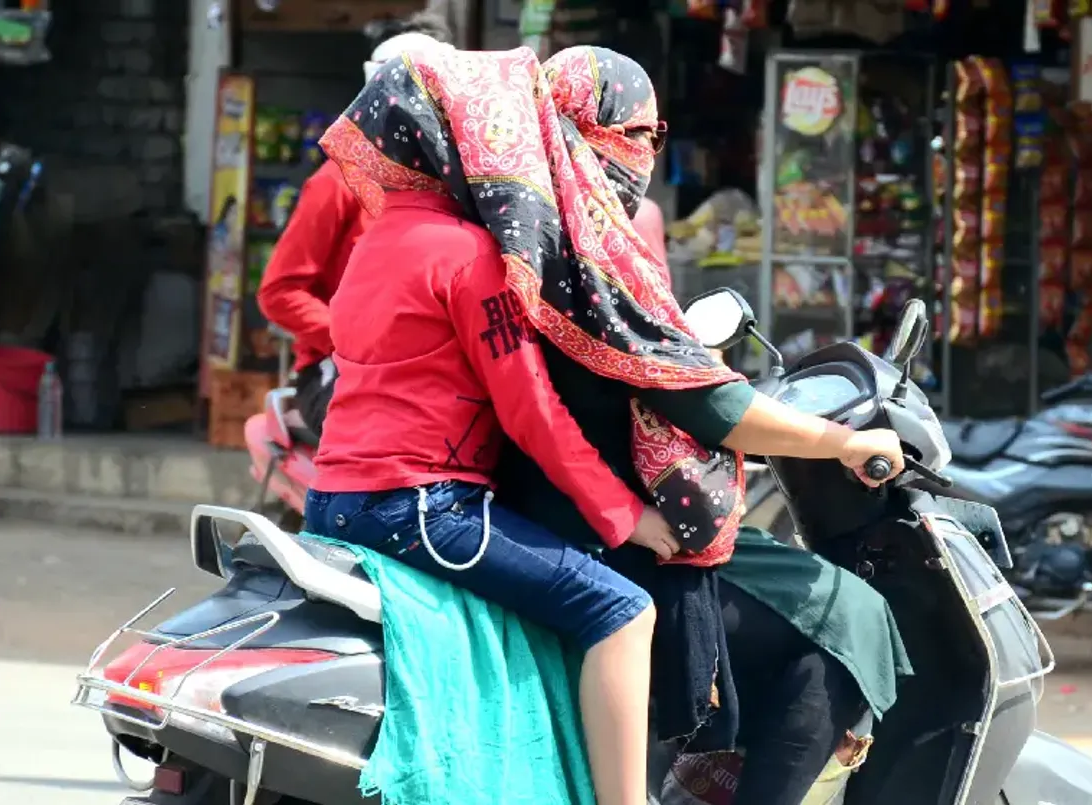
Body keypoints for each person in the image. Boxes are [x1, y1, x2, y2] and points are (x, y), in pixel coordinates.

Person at [319, 40, 909, 805]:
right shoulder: (542, 258)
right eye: (637, 134)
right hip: (488, 511)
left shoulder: (399, 242)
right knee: (812, 616)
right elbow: (666, 404)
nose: (645, 155)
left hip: (389, 493)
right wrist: (628, 511)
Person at [308, 45, 698, 805]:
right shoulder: (469, 256)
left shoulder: (374, 244)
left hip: (332, 496)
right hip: (423, 507)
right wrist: (624, 517)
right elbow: (531, 411)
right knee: (623, 609)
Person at [256, 11, 453, 436]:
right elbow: (279, 292)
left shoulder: (461, 186)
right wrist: (358, 342)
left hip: (433, 371)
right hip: (340, 372)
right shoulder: (336, 181)